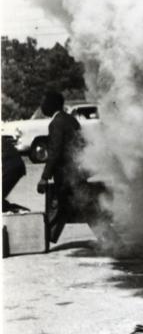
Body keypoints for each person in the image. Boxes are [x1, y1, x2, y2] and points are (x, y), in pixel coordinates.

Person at [37, 90, 83, 244]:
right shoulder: (72, 120)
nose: (42, 105)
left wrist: (44, 177)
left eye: (44, 102)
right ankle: (49, 238)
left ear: (51, 104)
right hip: (77, 171)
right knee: (78, 204)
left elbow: (55, 152)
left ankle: (44, 240)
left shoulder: (56, 123)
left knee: (57, 205)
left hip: (65, 174)